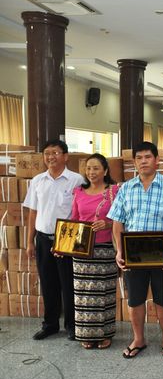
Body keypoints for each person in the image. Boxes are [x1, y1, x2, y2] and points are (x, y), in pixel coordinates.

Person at [108, 142, 163, 359]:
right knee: (135, 299)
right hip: (133, 254)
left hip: (160, 253)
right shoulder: (126, 188)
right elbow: (117, 221)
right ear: (134, 162)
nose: (143, 161)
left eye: (147, 157)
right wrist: (119, 251)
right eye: (139, 158)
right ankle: (138, 339)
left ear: (157, 160)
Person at [24, 140, 85, 341]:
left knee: (68, 284)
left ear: (65, 156)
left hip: (67, 238)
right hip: (43, 238)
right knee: (48, 283)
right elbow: (33, 213)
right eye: (47, 153)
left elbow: (81, 212)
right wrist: (29, 242)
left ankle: (72, 326)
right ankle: (50, 325)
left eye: (55, 153)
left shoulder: (76, 180)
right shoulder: (37, 180)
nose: (50, 157)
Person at [70, 153, 119, 349]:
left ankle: (105, 334)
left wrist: (108, 224)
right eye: (88, 168)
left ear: (105, 171)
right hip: (82, 249)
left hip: (105, 248)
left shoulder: (114, 191)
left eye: (96, 168)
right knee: (83, 293)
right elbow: (74, 219)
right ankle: (86, 333)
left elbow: (122, 218)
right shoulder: (78, 192)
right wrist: (63, 245)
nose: (91, 172)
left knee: (104, 292)